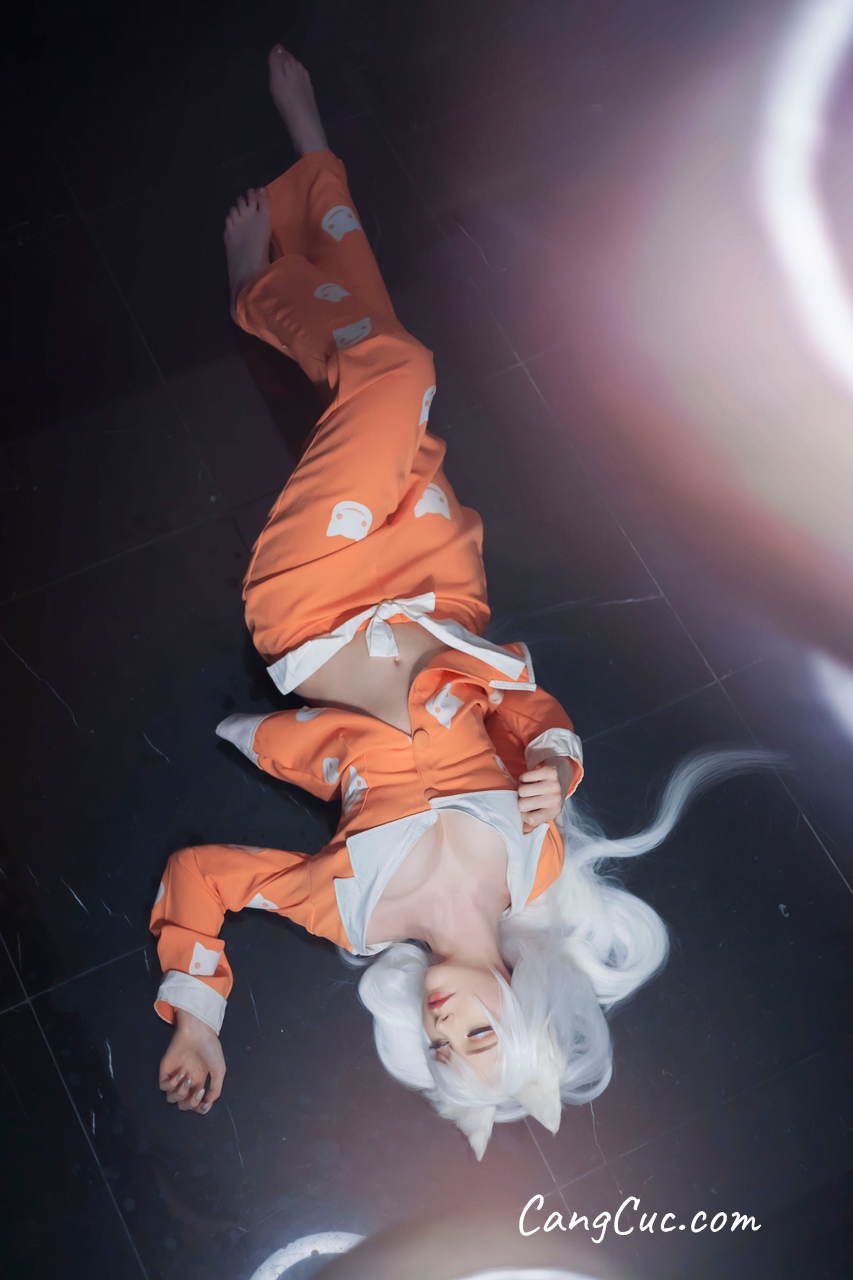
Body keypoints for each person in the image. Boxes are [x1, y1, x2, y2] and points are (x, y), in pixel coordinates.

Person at [149, 45, 770, 1157]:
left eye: (443, 1054)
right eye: (481, 1038)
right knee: (379, 359)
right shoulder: (537, 865)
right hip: (438, 589)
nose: (447, 1030)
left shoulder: (354, 915)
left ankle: (264, 282)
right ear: (521, 1008)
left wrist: (199, 1014)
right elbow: (528, 712)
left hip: (314, 607)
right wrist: (552, 768)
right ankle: (313, 171)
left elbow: (203, 877)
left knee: (393, 372)